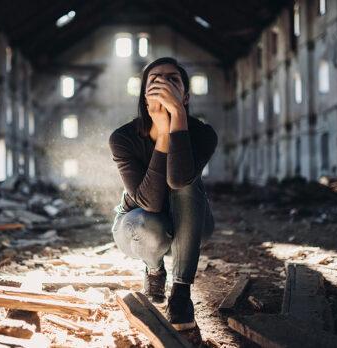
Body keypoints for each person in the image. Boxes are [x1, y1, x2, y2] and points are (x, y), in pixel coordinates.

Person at [108, 57, 218, 336]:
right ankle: (154, 270)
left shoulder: (203, 134)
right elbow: (151, 203)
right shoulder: (123, 138)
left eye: (173, 79)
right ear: (145, 95)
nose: (164, 84)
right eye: (156, 79)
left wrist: (177, 118)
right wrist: (163, 135)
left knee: (189, 182)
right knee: (149, 225)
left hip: (190, 226)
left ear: (186, 95)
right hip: (137, 225)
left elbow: (179, 180)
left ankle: (181, 293)